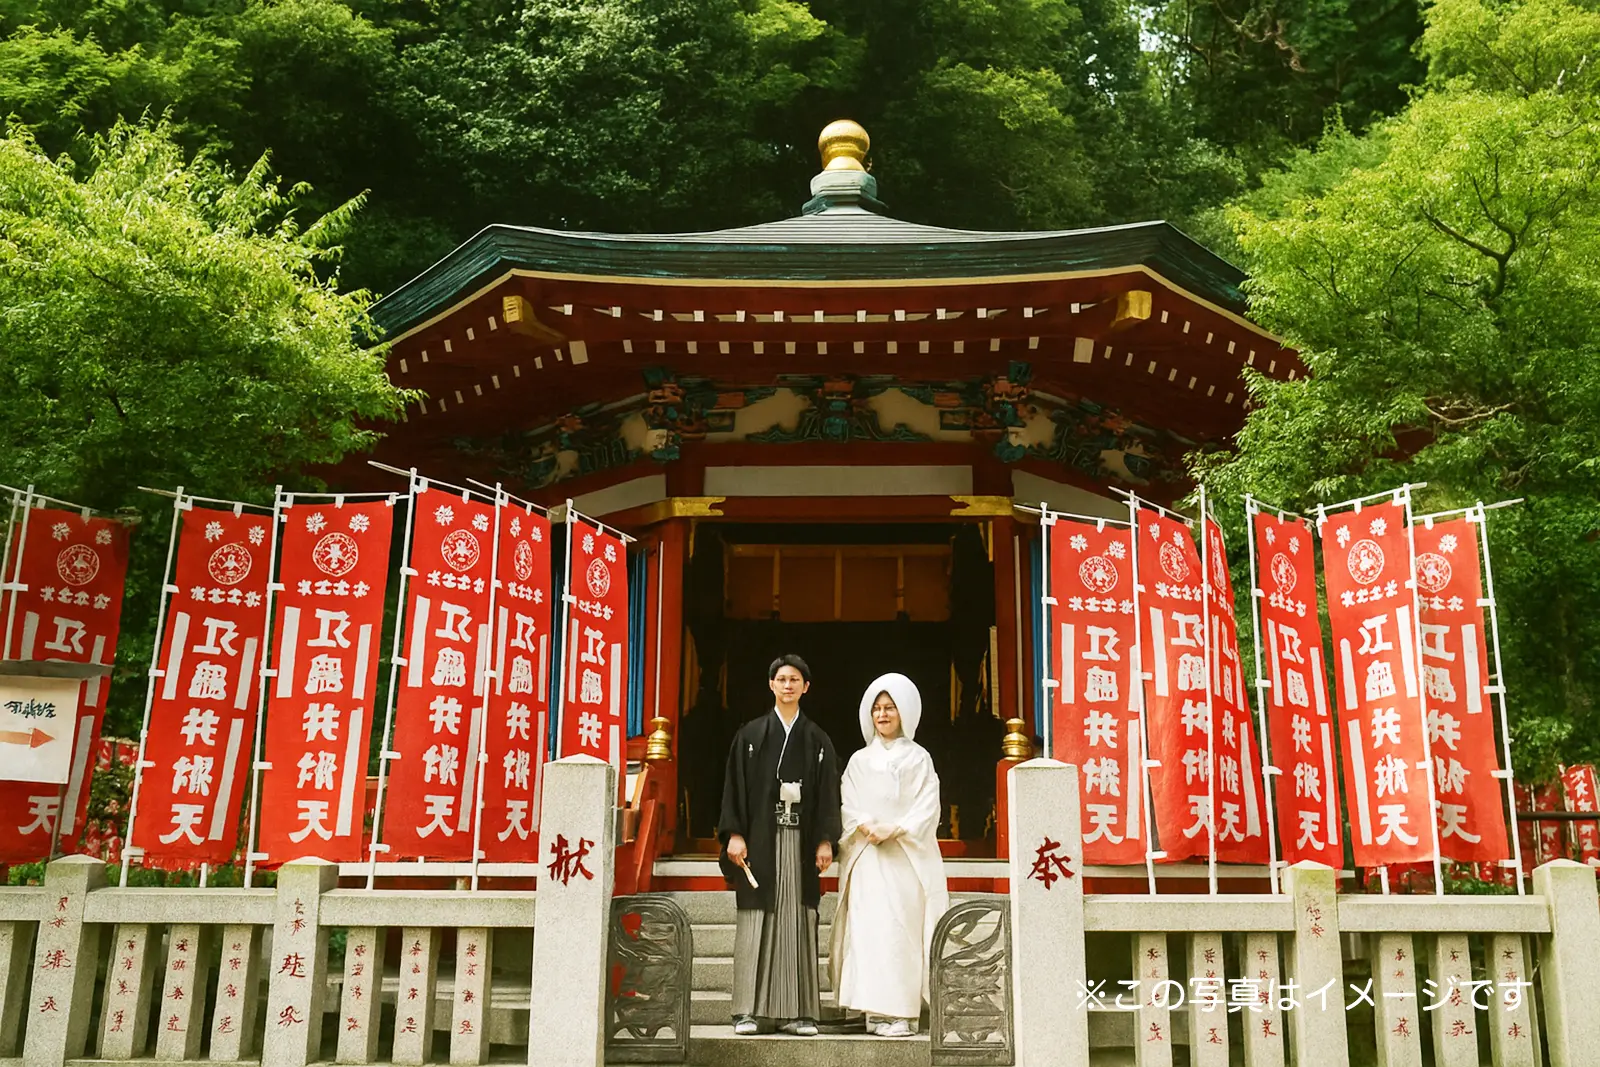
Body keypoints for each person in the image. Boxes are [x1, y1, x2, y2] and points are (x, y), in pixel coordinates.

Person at [719, 654, 841, 1036]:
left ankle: (799, 1013)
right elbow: (734, 789)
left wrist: (825, 840)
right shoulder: (750, 736)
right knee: (756, 919)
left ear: (806, 687)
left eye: (795, 680)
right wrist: (734, 835)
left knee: (797, 919)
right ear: (771, 685)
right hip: (759, 837)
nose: (788, 685)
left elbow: (827, 795)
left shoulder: (818, 739)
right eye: (781, 679)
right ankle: (747, 1012)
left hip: (801, 840)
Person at [830, 673, 949, 1038]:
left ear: (904, 713)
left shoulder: (918, 758)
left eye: (890, 708)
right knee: (868, 932)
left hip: (904, 857)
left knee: (902, 931)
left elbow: (928, 806)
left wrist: (895, 828)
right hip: (868, 856)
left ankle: (902, 1014)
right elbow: (848, 802)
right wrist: (867, 825)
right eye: (877, 709)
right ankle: (873, 1011)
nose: (883, 715)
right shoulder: (859, 760)